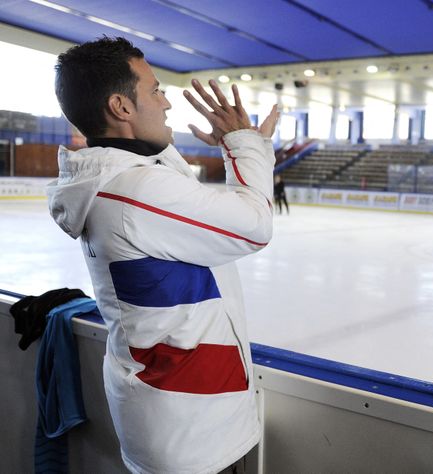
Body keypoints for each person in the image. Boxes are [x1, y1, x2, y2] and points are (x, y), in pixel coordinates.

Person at [47, 36, 279, 474]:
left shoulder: (124, 175)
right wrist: (244, 145)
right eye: (156, 90)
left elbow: (163, 170)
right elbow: (255, 227)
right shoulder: (134, 191)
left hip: (185, 411)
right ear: (121, 107)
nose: (167, 103)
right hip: (193, 428)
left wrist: (241, 141)